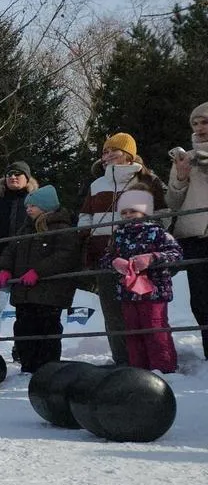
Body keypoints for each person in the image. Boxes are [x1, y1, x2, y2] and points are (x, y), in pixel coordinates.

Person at [77, 133, 168, 365]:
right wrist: (87, 235)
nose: (106, 156)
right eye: (104, 152)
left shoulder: (148, 180)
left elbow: (164, 213)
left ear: (127, 154)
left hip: (138, 259)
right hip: (105, 257)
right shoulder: (96, 184)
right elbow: (85, 214)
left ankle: (152, 364)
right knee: (113, 313)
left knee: (143, 312)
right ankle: (122, 363)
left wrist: (147, 240)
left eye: (112, 151)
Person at [0, 186, 81, 374]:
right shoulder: (26, 229)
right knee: (24, 328)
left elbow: (66, 255)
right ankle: (28, 365)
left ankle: (47, 368)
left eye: (33, 206)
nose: (28, 209)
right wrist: (5, 268)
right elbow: (11, 250)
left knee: (47, 329)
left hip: (50, 291)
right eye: (27, 206)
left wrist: (38, 271)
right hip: (25, 291)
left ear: (46, 206)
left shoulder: (63, 228)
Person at [98, 189, 183, 373]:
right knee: (133, 331)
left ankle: (164, 369)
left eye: (133, 211)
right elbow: (105, 258)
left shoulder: (158, 232)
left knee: (155, 328)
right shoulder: (118, 235)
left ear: (145, 212)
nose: (128, 216)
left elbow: (176, 254)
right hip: (128, 292)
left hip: (154, 290)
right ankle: (138, 370)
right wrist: (114, 262)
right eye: (124, 212)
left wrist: (153, 258)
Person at [0, 162, 38, 353]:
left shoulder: (35, 201)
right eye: (9, 174)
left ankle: (22, 350)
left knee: (25, 310)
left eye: (19, 174)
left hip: (26, 261)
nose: (13, 177)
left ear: (27, 178)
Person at [166, 101, 208, 359]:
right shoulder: (185, 158)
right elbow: (172, 202)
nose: (200, 128)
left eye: (205, 122)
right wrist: (181, 177)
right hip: (194, 236)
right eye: (195, 123)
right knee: (201, 300)